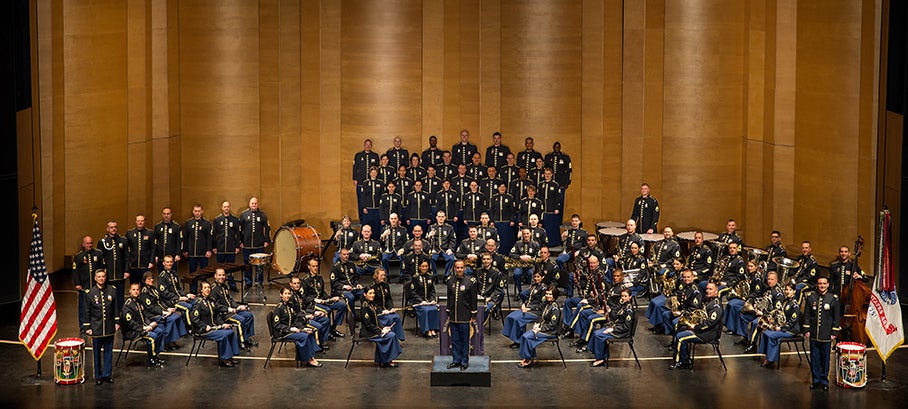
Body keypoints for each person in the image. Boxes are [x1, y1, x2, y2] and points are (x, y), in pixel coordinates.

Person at [669, 281, 723, 370]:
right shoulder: (708, 301)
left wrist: (695, 327)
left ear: (716, 292)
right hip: (702, 330)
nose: (707, 291)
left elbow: (709, 323)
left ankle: (680, 362)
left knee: (680, 337)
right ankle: (685, 358)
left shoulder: (716, 306)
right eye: (707, 289)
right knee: (681, 328)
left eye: (710, 289)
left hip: (707, 334)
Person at [190, 281, 241, 367]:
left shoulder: (211, 300)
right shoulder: (198, 303)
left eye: (209, 287)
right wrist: (204, 326)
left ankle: (230, 356)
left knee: (229, 331)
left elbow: (217, 315)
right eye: (205, 288)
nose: (207, 289)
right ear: (201, 290)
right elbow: (194, 318)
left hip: (213, 327)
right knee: (223, 335)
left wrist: (222, 324)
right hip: (204, 330)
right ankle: (223, 359)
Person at [81, 269, 119, 384]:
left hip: (109, 326)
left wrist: (117, 322)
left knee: (108, 352)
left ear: (105, 277)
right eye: (99, 277)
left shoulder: (112, 290)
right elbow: (86, 311)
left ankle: (107, 374)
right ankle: (98, 376)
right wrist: (87, 327)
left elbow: (115, 307)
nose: (101, 278)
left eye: (103, 276)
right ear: (95, 278)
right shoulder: (90, 293)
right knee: (96, 353)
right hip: (96, 327)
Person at [804, 275, 840, 391]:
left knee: (825, 359)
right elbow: (807, 315)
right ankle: (816, 380)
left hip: (827, 333)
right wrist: (807, 329)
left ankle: (824, 381)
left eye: (824, 283)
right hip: (814, 333)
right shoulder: (811, 297)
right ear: (817, 284)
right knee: (814, 358)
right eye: (820, 283)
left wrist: (834, 332)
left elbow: (836, 318)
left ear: (828, 285)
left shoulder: (833, 299)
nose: (822, 286)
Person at [274, 287, 322, 367]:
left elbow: (295, 319)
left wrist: (302, 328)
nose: (287, 296)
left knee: (309, 332)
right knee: (304, 336)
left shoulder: (290, 305)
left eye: (289, 294)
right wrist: (290, 329)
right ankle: (309, 359)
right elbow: (277, 325)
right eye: (285, 294)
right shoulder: (278, 308)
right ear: (281, 295)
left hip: (293, 329)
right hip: (284, 332)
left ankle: (311, 356)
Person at [139, 271, 187, 351]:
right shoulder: (144, 293)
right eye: (149, 279)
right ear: (144, 280)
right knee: (171, 319)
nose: (151, 280)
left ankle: (173, 339)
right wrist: (163, 312)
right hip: (152, 314)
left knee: (176, 316)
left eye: (152, 278)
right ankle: (168, 342)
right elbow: (151, 307)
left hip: (160, 310)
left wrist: (168, 308)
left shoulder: (153, 289)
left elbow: (160, 301)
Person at [121, 282, 165, 368]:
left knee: (160, 331)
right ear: (130, 291)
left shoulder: (139, 301)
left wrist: (150, 323)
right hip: (133, 331)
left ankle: (156, 355)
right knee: (152, 336)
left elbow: (144, 316)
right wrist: (144, 328)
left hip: (143, 326)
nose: (136, 291)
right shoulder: (128, 305)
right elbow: (130, 323)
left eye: (137, 290)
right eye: (134, 290)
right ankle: (151, 359)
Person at [210, 268, 257, 348]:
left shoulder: (224, 286)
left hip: (232, 310)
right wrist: (228, 309)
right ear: (215, 276)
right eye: (219, 275)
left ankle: (246, 338)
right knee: (241, 320)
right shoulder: (213, 289)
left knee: (249, 315)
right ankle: (241, 341)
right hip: (223, 314)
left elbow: (230, 300)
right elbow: (215, 306)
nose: (222, 277)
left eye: (223, 275)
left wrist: (238, 306)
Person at [588, 288, 635, 367]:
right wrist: (610, 311)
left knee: (598, 335)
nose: (623, 298)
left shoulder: (629, 310)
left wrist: (613, 329)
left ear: (630, 297)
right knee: (596, 332)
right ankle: (603, 355)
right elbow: (616, 317)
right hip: (617, 327)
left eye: (625, 296)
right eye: (622, 296)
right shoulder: (623, 306)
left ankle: (600, 358)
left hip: (622, 332)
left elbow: (626, 327)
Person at [758, 282, 801, 369]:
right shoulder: (786, 301)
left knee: (771, 335)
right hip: (783, 326)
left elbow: (792, 321)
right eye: (786, 289)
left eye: (790, 290)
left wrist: (780, 328)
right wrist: (772, 320)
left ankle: (770, 360)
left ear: (794, 291)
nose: (788, 291)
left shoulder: (795, 305)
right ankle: (767, 356)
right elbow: (780, 314)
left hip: (791, 330)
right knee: (765, 332)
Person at [516, 286, 562, 368]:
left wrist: (540, 328)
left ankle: (528, 359)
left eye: (550, 294)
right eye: (547, 294)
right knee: (525, 336)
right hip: (544, 328)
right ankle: (528, 357)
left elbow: (552, 325)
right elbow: (543, 317)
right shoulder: (548, 304)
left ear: (554, 296)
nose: (547, 296)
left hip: (550, 332)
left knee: (528, 337)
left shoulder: (554, 308)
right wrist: (538, 324)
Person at [302, 258, 347, 339]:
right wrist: (314, 299)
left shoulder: (320, 278)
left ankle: (333, 328)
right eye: (313, 266)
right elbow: (304, 297)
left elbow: (322, 292)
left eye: (316, 266)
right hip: (313, 304)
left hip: (322, 301)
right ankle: (326, 334)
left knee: (342, 305)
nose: (315, 268)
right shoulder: (305, 281)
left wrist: (331, 298)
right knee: (327, 310)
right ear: (309, 267)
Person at [445, 259, 478, 370]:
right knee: (455, 340)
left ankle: (464, 361)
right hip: (453, 315)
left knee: (464, 340)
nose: (459, 269)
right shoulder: (450, 280)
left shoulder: (470, 282)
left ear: (464, 268)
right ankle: (456, 360)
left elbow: (473, 299)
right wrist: (448, 311)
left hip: (465, 315)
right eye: (457, 267)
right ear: (454, 268)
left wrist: (473, 314)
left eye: (461, 267)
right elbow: (449, 298)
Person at [360, 286, 403, 368]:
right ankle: (387, 360)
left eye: (373, 293)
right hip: (369, 332)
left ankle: (385, 360)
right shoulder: (365, 307)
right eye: (370, 293)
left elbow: (376, 320)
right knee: (391, 336)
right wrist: (381, 331)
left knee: (390, 333)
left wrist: (384, 327)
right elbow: (368, 324)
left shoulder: (371, 303)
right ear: (365, 294)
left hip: (374, 329)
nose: (372, 295)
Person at [502, 271, 546, 347]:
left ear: (542, 277)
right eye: (535, 277)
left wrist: (529, 308)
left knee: (518, 319)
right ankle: (514, 336)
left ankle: (519, 341)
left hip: (536, 311)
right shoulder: (534, 286)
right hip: (527, 308)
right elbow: (529, 298)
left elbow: (542, 305)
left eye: (538, 277)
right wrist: (523, 304)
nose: (536, 278)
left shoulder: (543, 288)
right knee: (510, 317)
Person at [240, 197, 271, 286]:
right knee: (247, 264)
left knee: (259, 265)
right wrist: (240, 242)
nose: (254, 205)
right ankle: (248, 282)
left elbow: (267, 228)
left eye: (255, 203)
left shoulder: (263, 215)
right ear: (249, 204)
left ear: (258, 204)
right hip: (247, 244)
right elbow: (240, 230)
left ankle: (259, 282)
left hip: (259, 244)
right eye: (252, 203)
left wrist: (266, 240)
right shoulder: (244, 215)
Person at [73, 236, 102, 327]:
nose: (89, 245)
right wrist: (77, 283)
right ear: (83, 244)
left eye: (91, 243)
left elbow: (102, 269)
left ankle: (95, 324)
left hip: (95, 286)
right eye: (87, 243)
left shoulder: (98, 254)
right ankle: (83, 325)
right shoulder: (78, 256)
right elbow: (75, 271)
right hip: (84, 286)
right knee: (83, 307)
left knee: (97, 306)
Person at [98, 222, 129, 310]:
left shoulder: (123, 240)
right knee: (109, 296)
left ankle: (120, 313)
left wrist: (126, 270)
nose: (113, 229)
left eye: (115, 227)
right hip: (109, 274)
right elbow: (100, 258)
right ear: (107, 229)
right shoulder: (102, 242)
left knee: (120, 297)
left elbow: (126, 257)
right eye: (111, 227)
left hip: (120, 274)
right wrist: (102, 273)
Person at [212, 201, 241, 292]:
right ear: (222, 208)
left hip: (231, 248)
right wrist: (214, 247)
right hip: (220, 248)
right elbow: (214, 234)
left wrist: (237, 246)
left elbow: (238, 234)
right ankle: (219, 285)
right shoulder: (217, 220)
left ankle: (232, 284)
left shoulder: (235, 220)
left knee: (231, 268)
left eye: (228, 206)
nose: (226, 208)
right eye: (225, 207)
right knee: (219, 268)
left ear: (230, 207)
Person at [408, 260, 440, 338]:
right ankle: (426, 330)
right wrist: (421, 301)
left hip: (429, 301)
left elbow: (432, 291)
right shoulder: (415, 277)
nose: (424, 268)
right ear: (419, 267)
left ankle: (433, 329)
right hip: (418, 302)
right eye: (423, 266)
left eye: (426, 266)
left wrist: (433, 299)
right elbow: (413, 292)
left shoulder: (430, 276)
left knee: (435, 309)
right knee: (426, 310)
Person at [182, 204, 212, 287]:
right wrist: (185, 250)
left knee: (204, 272)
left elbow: (209, 238)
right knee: (192, 272)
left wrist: (209, 250)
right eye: (195, 211)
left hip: (203, 253)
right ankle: (193, 288)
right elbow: (185, 238)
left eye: (199, 211)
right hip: (192, 253)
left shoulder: (207, 223)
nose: (197, 213)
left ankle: (204, 288)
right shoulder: (188, 223)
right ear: (193, 212)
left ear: (202, 211)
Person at [372, 268, 405, 341]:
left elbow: (389, 299)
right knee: (390, 319)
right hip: (378, 312)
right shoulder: (372, 287)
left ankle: (399, 337)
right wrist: (381, 311)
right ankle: (391, 338)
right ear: (376, 276)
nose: (383, 277)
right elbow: (373, 303)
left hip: (387, 310)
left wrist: (391, 307)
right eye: (381, 275)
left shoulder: (386, 285)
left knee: (397, 317)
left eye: (384, 275)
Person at [475, 252, 507, 323]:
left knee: (485, 309)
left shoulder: (497, 273)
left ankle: (479, 325)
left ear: (491, 260)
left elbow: (499, 290)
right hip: (479, 297)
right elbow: (475, 286)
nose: (486, 261)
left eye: (488, 259)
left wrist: (490, 298)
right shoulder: (478, 271)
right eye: (484, 259)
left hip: (490, 298)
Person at [353, 139, 380, 220]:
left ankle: (371, 218)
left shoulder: (375, 156)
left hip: (372, 182)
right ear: (364, 145)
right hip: (361, 182)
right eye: (366, 144)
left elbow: (377, 169)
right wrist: (355, 179)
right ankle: (361, 218)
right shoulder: (358, 155)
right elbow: (355, 168)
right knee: (361, 200)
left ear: (371, 146)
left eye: (369, 145)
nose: (368, 146)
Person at [509, 228, 541, 295]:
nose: (526, 235)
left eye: (527, 233)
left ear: (530, 234)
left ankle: (531, 291)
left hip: (530, 266)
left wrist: (531, 258)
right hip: (520, 265)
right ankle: (520, 291)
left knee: (531, 274)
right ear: (522, 235)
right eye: (524, 234)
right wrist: (520, 257)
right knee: (516, 274)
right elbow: (511, 254)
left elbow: (538, 256)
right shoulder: (518, 243)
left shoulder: (535, 244)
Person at [427, 211, 457, 277]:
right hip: (435, 249)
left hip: (446, 249)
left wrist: (450, 249)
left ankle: (447, 275)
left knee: (451, 259)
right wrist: (429, 236)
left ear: (445, 217)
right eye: (439, 217)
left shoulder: (449, 227)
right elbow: (427, 241)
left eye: (442, 217)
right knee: (430, 258)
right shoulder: (431, 227)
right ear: (436, 217)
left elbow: (453, 240)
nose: (441, 218)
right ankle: (434, 276)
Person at [126, 214, 154, 285]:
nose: (140, 222)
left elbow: (153, 248)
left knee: (145, 284)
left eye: (142, 221)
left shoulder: (150, 233)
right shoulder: (129, 233)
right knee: (134, 284)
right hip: (133, 265)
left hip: (145, 264)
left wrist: (152, 261)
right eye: (138, 221)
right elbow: (126, 250)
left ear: (144, 222)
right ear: (135, 222)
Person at [489, 182, 517, 255]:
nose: (502, 188)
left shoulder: (510, 197)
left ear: (506, 188)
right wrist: (492, 220)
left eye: (503, 187)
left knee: (506, 239)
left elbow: (512, 210)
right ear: (498, 188)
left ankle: (507, 254)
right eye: (500, 187)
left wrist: (512, 220)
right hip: (497, 221)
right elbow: (492, 210)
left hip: (507, 222)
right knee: (498, 238)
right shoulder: (494, 197)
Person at [379, 213, 408, 280]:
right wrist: (383, 235)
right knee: (384, 259)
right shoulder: (385, 229)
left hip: (399, 250)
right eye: (392, 219)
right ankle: (386, 275)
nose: (393, 220)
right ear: (389, 219)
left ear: (397, 219)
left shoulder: (403, 229)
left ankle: (401, 276)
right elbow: (380, 243)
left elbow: (406, 242)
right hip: (388, 250)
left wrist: (403, 249)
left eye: (395, 218)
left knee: (404, 258)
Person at [538, 168, 562, 246]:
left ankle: (553, 242)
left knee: (552, 227)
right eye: (546, 174)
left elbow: (558, 198)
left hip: (552, 210)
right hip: (544, 210)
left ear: (551, 175)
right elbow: (539, 197)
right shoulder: (541, 184)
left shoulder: (555, 185)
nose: (547, 175)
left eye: (549, 174)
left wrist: (557, 208)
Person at [153, 207, 182, 272]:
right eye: (164, 214)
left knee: (173, 274)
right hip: (161, 257)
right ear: (162, 214)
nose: (166, 215)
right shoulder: (158, 226)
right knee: (161, 274)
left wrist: (178, 254)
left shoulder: (176, 226)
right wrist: (155, 255)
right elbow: (155, 242)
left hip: (172, 257)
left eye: (168, 214)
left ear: (171, 214)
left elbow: (179, 241)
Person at [360, 166, 385, 235]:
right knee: (367, 226)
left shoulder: (381, 183)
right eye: (372, 172)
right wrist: (364, 207)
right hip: (368, 209)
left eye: (375, 172)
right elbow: (363, 196)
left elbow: (382, 196)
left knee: (376, 226)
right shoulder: (365, 183)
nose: (373, 174)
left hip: (377, 209)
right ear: (370, 173)